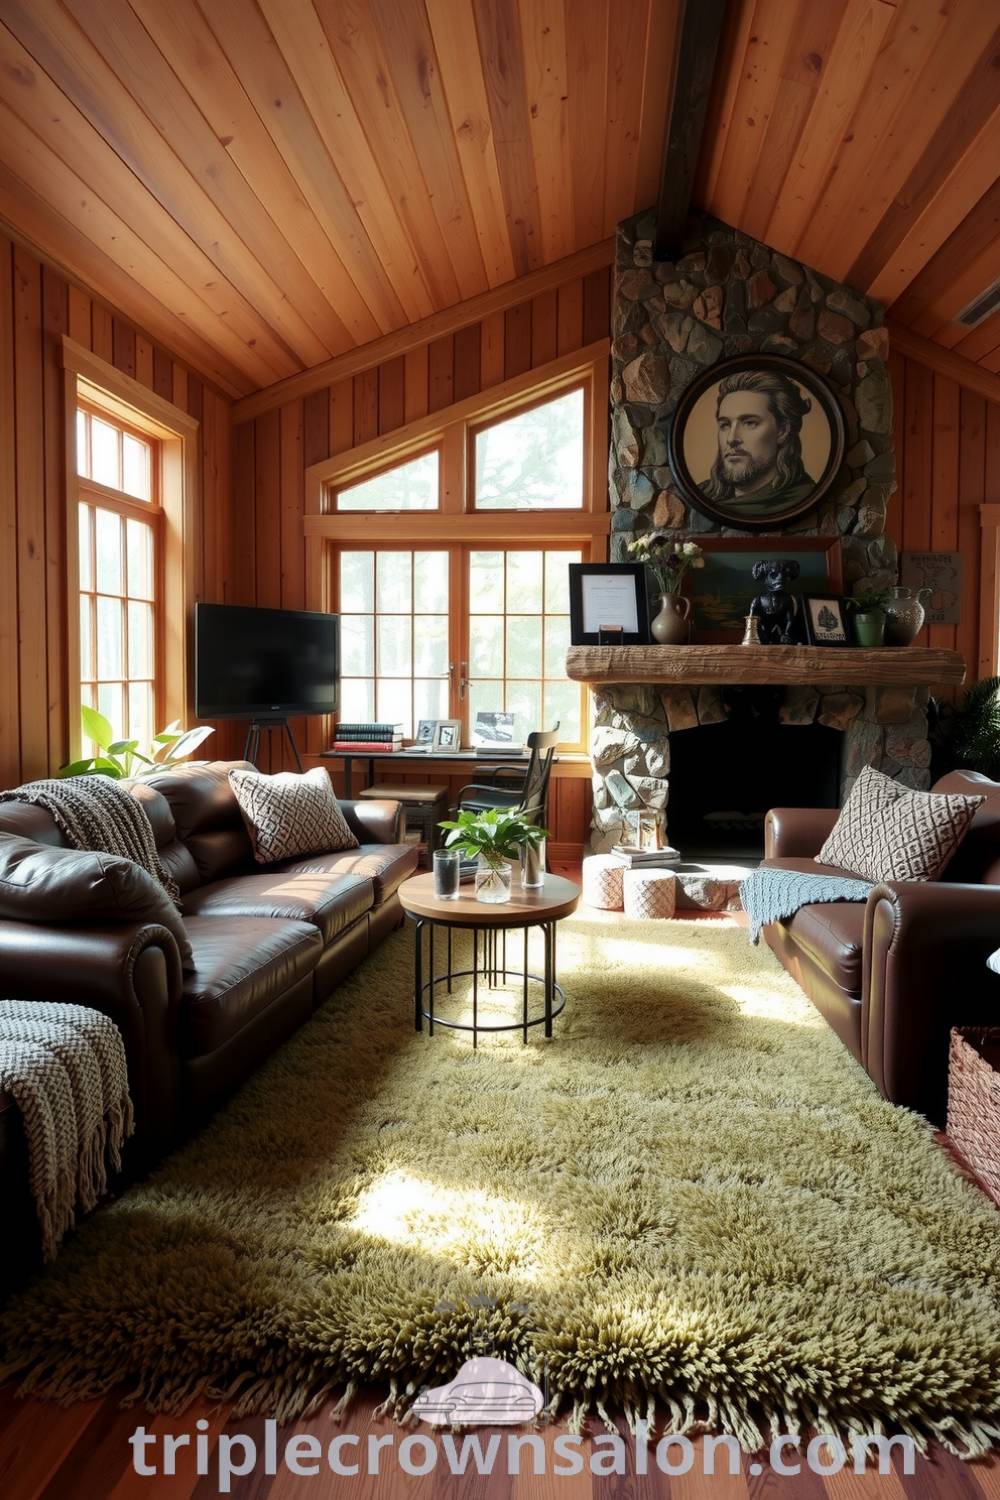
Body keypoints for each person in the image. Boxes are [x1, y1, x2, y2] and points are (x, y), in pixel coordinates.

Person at [701, 369, 816, 518]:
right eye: (725, 425)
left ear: (782, 431)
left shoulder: (804, 498)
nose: (731, 439)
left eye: (749, 423)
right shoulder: (702, 495)